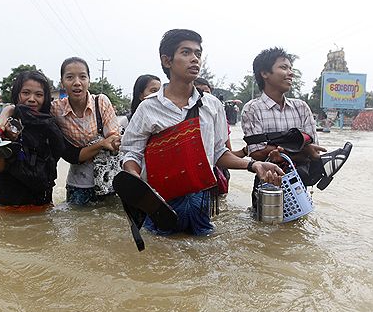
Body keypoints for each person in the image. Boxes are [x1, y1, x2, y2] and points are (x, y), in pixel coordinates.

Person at [120, 29, 284, 236]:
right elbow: (131, 152)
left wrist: (253, 164)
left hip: (201, 201)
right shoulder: (148, 108)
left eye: (198, 53)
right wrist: (135, 179)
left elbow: (218, 153)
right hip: (158, 203)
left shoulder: (212, 105)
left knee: (202, 253)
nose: (195, 59)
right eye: (186, 53)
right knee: (158, 252)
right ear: (167, 60)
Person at [241, 47, 352, 208]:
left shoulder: (301, 107)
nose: (290, 73)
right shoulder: (252, 109)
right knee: (265, 228)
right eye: (284, 67)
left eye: (290, 68)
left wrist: (281, 153)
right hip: (267, 186)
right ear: (264, 73)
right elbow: (256, 153)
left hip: (299, 185)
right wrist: (301, 149)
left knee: (299, 227)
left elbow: (313, 152)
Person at [0, 70, 65, 207]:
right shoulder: (0, 126)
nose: (32, 99)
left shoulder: (51, 127)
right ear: (17, 95)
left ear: (45, 98)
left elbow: (57, 155)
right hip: (5, 206)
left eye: (39, 94)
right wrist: (7, 141)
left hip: (41, 205)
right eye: (26, 93)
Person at [51, 57, 121, 205]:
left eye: (83, 77)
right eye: (70, 77)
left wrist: (113, 142)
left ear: (89, 80)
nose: (77, 82)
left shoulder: (101, 102)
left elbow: (113, 139)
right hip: (78, 184)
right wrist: (102, 144)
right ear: (62, 82)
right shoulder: (56, 109)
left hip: (107, 180)